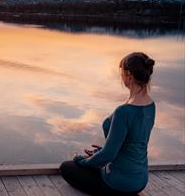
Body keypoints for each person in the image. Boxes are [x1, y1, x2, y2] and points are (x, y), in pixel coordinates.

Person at [59, 52, 156, 196]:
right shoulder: (151, 106)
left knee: (66, 167)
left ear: (128, 75)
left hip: (119, 183)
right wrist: (100, 152)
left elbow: (108, 156)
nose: (121, 77)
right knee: (95, 160)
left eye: (122, 73)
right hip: (140, 180)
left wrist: (83, 161)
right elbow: (131, 143)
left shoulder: (124, 111)